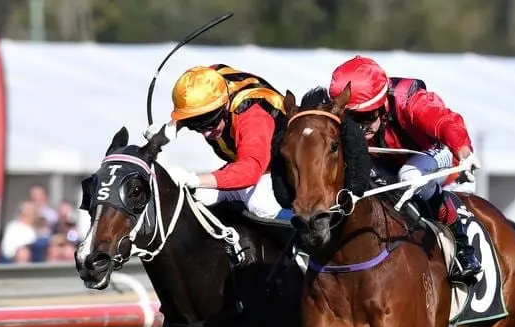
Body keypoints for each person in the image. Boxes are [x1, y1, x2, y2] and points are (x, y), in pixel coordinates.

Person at [328, 55, 482, 283]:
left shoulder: (408, 100)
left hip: (437, 153)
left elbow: (445, 121)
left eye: (367, 117)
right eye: (352, 119)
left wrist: (463, 150)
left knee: (409, 175)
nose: (361, 128)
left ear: (382, 106)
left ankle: (462, 247)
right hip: (388, 164)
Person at [143, 64, 290, 220]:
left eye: (210, 123)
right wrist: (171, 127)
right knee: (202, 195)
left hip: (284, 168)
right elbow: (196, 105)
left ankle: (307, 233)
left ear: (225, 104)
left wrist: (194, 179)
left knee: (260, 205)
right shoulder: (209, 82)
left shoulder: (253, 116)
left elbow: (250, 170)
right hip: (251, 163)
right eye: (196, 127)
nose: (206, 133)